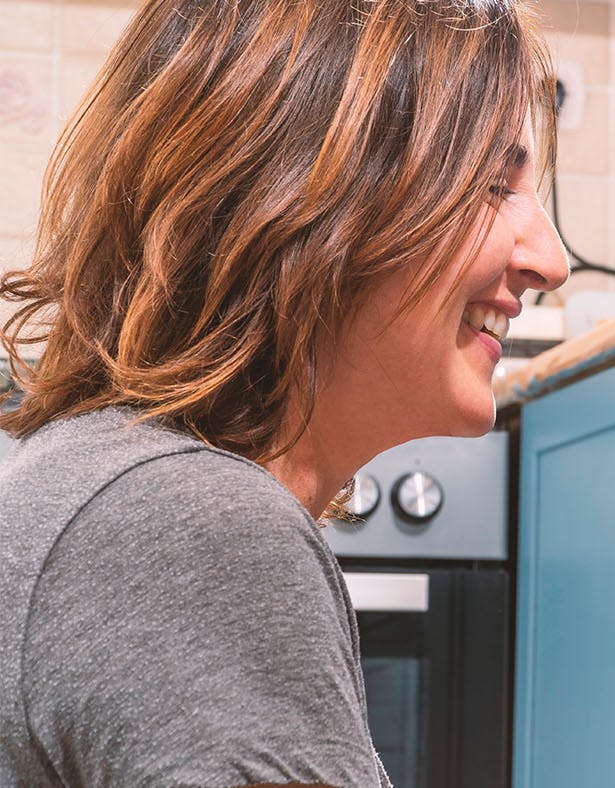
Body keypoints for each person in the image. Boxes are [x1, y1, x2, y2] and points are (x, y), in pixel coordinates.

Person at [0, 0, 568, 785]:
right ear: (303, 193)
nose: (551, 260)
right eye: (488, 184)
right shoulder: (189, 529)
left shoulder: (113, 483)